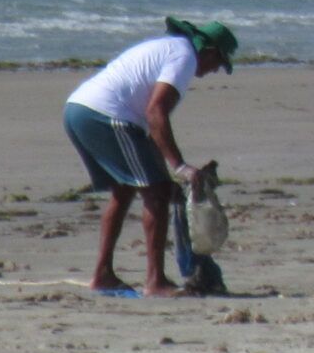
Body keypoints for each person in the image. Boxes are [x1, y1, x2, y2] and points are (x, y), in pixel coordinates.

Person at [62, 17, 234, 297]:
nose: (215, 69)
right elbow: (156, 112)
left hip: (79, 110)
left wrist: (168, 171)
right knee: (156, 193)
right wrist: (179, 167)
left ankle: (103, 275)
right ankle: (155, 282)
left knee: (126, 189)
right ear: (210, 51)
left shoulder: (171, 48)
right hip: (106, 114)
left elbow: (149, 130)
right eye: (219, 62)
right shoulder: (184, 57)